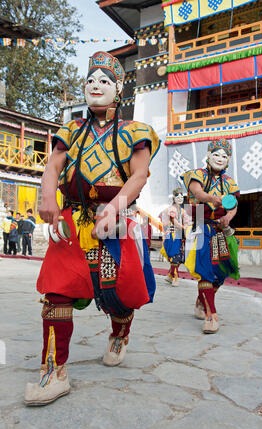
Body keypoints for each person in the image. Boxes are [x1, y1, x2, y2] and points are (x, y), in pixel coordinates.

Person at [24, 51, 160, 406]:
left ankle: (119, 332)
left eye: (104, 81)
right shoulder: (70, 130)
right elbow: (53, 168)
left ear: (118, 89)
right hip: (73, 219)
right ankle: (54, 371)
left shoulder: (136, 132)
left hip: (114, 223)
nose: (95, 86)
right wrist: (48, 197)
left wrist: (116, 207)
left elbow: (139, 175)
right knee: (56, 291)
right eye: (90, 80)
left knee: (117, 294)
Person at [181, 139, 240, 333]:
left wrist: (229, 217)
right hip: (200, 224)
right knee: (205, 269)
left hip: (220, 229)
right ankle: (211, 315)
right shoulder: (197, 174)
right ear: (208, 155)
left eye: (224, 156)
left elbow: (234, 205)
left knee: (221, 272)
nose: (220, 159)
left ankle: (201, 300)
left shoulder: (230, 182)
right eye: (216, 154)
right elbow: (197, 193)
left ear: (229, 160)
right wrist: (214, 198)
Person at [160, 188, 190, 287]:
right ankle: (175, 278)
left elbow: (186, 221)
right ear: (174, 198)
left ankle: (170, 275)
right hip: (172, 235)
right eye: (178, 197)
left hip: (180, 235)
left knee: (180, 257)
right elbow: (173, 221)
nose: (180, 198)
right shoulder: (171, 209)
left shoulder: (182, 210)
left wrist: (187, 227)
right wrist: (182, 227)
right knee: (175, 257)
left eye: (182, 197)